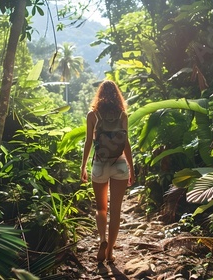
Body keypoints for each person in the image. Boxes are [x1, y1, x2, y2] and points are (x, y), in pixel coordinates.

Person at [80, 80, 135, 263]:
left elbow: (89, 142)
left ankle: (102, 240)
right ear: (117, 96)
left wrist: (83, 166)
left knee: (101, 208)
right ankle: (110, 251)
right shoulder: (122, 115)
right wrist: (131, 169)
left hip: (100, 164)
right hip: (119, 164)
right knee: (116, 211)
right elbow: (126, 143)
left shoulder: (92, 115)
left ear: (99, 95)